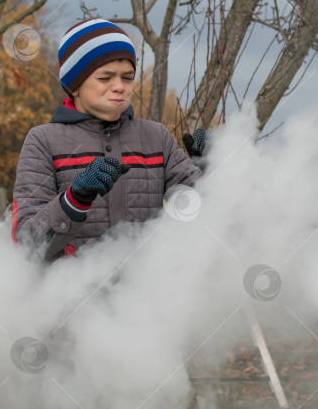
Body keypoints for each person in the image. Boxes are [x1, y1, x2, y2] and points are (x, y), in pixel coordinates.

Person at [11, 18, 209, 261]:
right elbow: (27, 246)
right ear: (74, 85)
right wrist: (74, 200)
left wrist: (210, 171)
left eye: (127, 77)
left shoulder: (157, 137)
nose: (120, 87)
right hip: (68, 295)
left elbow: (202, 219)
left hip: (154, 293)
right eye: (105, 78)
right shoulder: (43, 141)